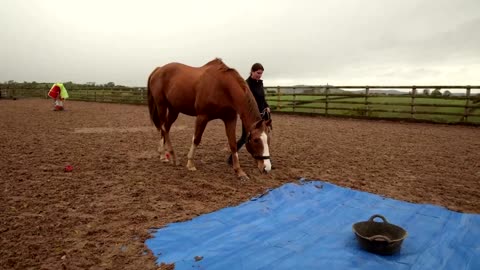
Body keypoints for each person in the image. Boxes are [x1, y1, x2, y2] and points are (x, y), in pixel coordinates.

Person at [227, 62, 271, 165]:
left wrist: (266, 106)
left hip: (261, 115)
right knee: (244, 137)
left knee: (263, 136)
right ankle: (231, 157)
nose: (259, 75)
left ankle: (266, 158)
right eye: (258, 73)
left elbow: (262, 98)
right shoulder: (246, 84)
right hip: (250, 117)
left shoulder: (260, 83)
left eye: (261, 73)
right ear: (252, 71)